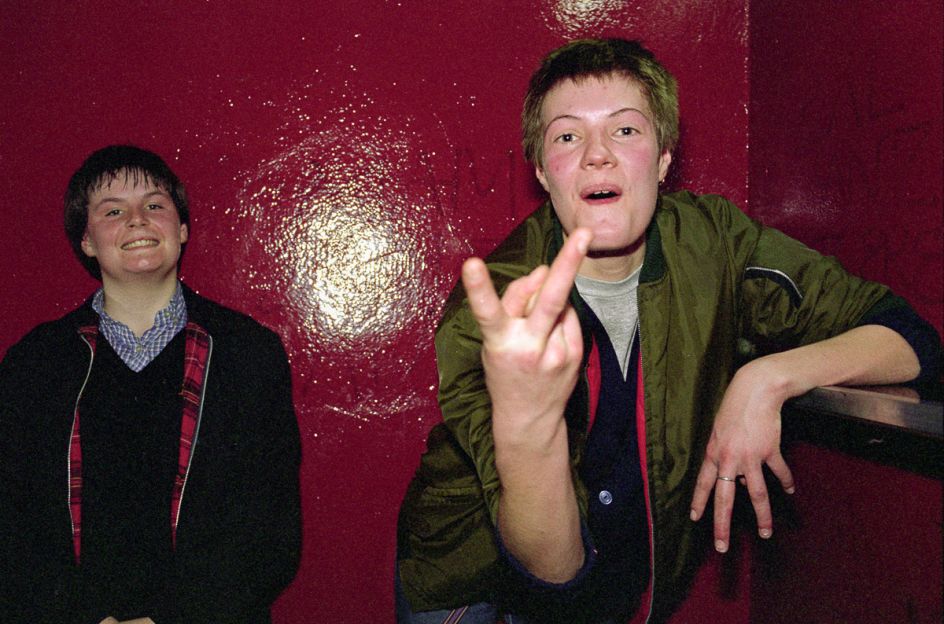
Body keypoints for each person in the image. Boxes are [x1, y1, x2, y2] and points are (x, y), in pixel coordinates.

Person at [395, 39, 940, 624]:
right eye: (567, 136)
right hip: (472, 585)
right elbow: (552, 579)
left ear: (661, 159)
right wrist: (528, 425)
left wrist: (770, 377)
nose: (597, 155)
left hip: (623, 580)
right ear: (541, 172)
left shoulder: (717, 245)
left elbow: (909, 339)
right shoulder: (498, 308)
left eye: (626, 131)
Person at [0, 145, 302, 623]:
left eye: (155, 205)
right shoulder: (35, 363)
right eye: (113, 210)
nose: (137, 220)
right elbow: (13, 524)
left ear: (181, 229)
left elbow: (270, 527)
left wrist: (171, 618)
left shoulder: (249, 353)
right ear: (87, 241)